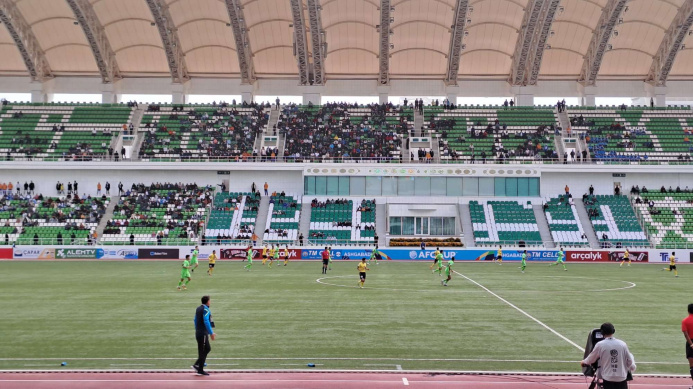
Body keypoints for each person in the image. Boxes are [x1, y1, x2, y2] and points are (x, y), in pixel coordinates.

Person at [581, 322, 636, 389]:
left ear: (602, 332)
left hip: (608, 378)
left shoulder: (600, 345)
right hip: (621, 378)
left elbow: (591, 359)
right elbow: (629, 361)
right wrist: (632, 367)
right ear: (613, 331)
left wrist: (584, 362)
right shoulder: (622, 344)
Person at [192, 295, 216, 376]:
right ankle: (200, 369)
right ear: (208, 301)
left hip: (198, 332)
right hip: (203, 333)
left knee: (206, 349)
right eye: (210, 300)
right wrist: (211, 333)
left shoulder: (198, 308)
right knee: (203, 350)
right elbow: (206, 321)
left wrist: (197, 329)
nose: (210, 302)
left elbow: (195, 320)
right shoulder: (206, 309)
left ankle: (198, 364)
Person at [682, 303, 693, 387]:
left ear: (688, 310)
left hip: (690, 343)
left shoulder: (685, 321)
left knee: (692, 366)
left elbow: (686, 334)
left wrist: (691, 344)